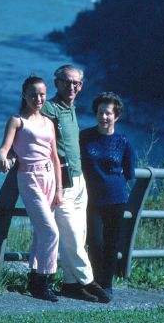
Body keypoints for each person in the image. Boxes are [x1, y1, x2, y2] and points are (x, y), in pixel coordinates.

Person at [41, 64, 111, 303]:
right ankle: (90, 281)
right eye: (67, 81)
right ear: (57, 82)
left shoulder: (70, 108)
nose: (72, 86)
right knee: (70, 235)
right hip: (63, 182)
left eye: (77, 83)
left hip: (79, 181)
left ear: (81, 86)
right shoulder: (49, 108)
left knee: (79, 236)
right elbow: (29, 127)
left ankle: (71, 284)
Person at [0, 76, 63, 302]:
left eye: (42, 94)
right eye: (33, 94)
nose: (38, 98)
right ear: (24, 95)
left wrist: (59, 189)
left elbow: (55, 157)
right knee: (50, 231)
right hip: (29, 176)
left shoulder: (48, 122)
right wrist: (4, 159)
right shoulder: (17, 121)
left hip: (50, 176)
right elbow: (4, 149)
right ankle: (43, 281)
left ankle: (35, 278)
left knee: (41, 232)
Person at [80, 92, 135, 300]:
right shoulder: (84, 137)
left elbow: (130, 171)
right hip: (90, 199)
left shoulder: (123, 141)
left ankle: (107, 284)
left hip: (116, 199)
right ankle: (93, 283)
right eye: (101, 112)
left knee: (112, 243)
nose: (104, 117)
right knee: (95, 241)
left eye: (108, 113)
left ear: (116, 117)